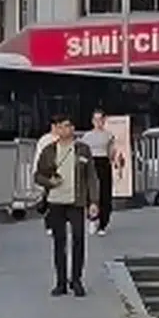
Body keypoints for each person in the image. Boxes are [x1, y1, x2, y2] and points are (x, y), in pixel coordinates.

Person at [34, 113, 100, 297]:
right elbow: (38, 175)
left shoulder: (82, 150)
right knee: (59, 242)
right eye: (62, 126)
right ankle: (61, 282)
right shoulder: (49, 151)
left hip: (76, 201)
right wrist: (49, 182)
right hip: (56, 201)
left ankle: (76, 280)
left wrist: (93, 201)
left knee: (78, 239)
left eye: (69, 126)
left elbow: (91, 177)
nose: (66, 130)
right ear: (56, 128)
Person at [81, 109, 117, 236]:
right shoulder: (86, 137)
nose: (98, 122)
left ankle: (103, 223)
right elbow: (83, 153)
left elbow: (111, 153)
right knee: (90, 192)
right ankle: (92, 218)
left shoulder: (109, 135)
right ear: (92, 121)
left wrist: (114, 157)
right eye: (95, 120)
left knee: (105, 193)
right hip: (91, 163)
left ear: (104, 120)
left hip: (104, 164)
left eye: (100, 119)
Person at [31, 119, 59, 232]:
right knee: (49, 197)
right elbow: (38, 156)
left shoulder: (63, 138)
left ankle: (56, 221)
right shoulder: (45, 140)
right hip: (47, 172)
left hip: (59, 172)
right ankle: (49, 223)